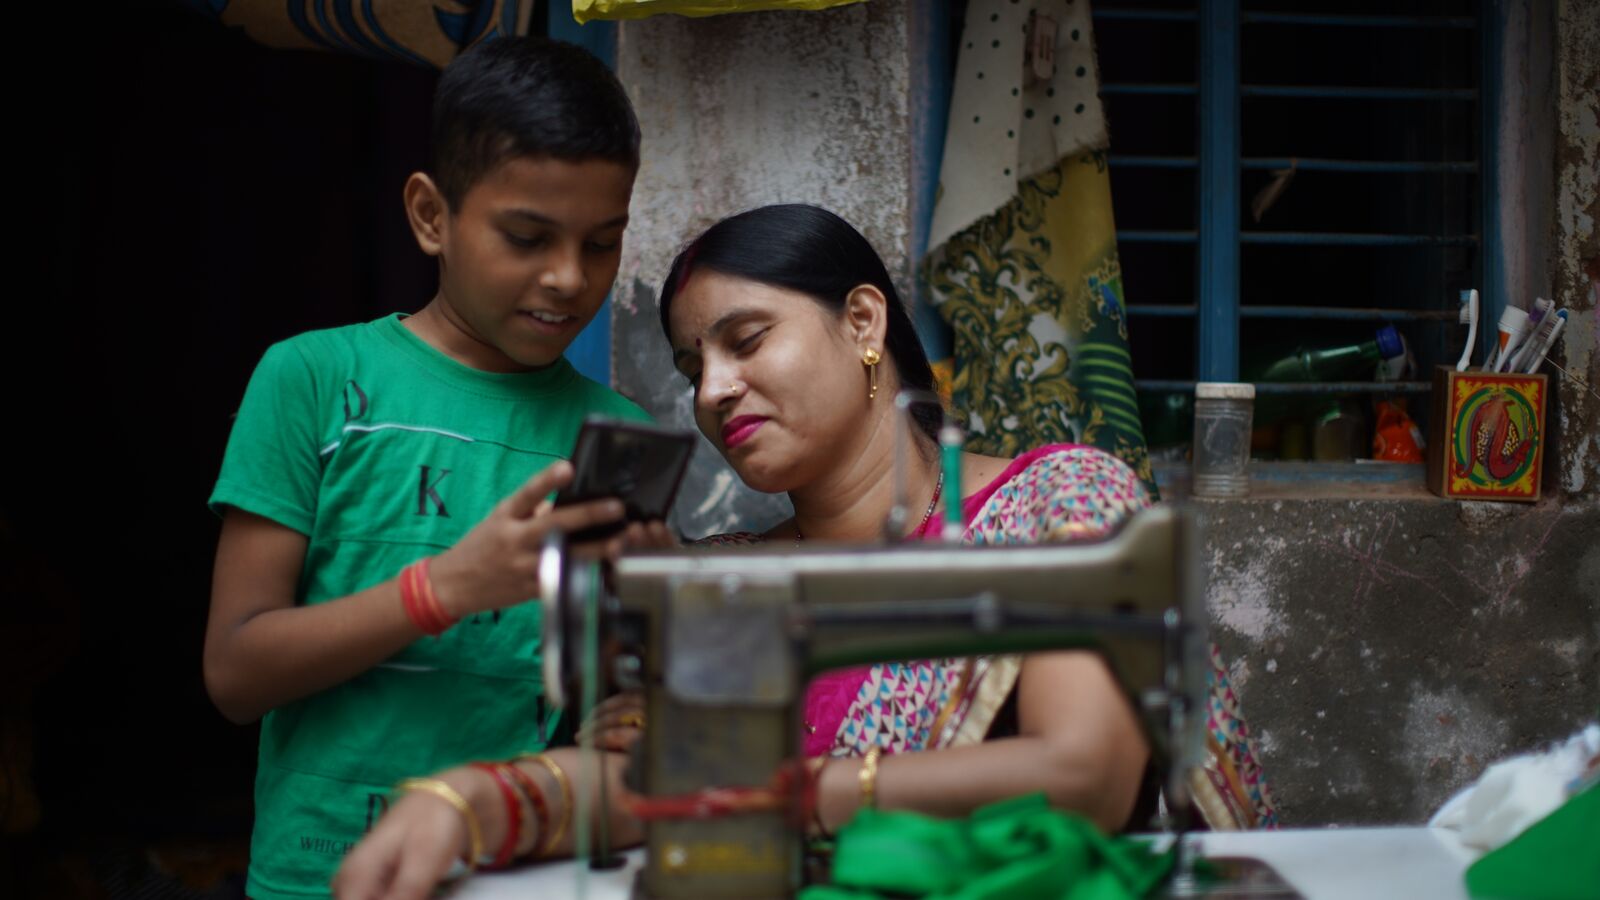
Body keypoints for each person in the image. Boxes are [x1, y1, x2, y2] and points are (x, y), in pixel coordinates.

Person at [334, 204, 1273, 900]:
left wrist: (773, 794)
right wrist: (474, 800)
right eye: (693, 367)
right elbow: (650, 787)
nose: (714, 391)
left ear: (863, 324)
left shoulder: (1058, 499)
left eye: (746, 342)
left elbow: (1087, 779)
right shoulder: (729, 571)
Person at [204, 36, 671, 900]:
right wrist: (444, 589)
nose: (569, 279)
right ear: (430, 215)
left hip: (515, 877)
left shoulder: (616, 435)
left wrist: (648, 636)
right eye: (527, 237)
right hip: (320, 875)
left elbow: (616, 708)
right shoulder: (312, 379)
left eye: (603, 243)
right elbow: (235, 673)